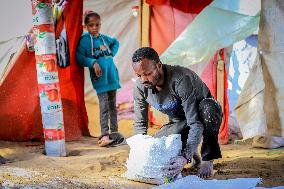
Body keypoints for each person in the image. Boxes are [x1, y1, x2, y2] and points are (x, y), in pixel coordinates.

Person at [131, 47, 223, 178]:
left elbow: (195, 123)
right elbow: (140, 123)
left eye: (147, 73)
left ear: (159, 65)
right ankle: (192, 151)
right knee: (158, 146)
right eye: (139, 75)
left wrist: (185, 158)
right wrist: (138, 154)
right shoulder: (140, 87)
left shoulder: (180, 79)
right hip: (179, 122)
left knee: (208, 108)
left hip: (202, 115)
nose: (143, 79)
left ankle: (207, 159)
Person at [76, 10, 121, 147]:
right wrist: (93, 62)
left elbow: (116, 42)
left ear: (100, 25)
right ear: (86, 26)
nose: (94, 28)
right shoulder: (84, 41)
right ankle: (105, 135)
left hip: (112, 76)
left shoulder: (104, 39)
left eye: (97, 25)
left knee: (113, 106)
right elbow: (79, 57)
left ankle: (114, 133)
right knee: (104, 107)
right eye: (91, 25)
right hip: (100, 79)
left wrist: (110, 54)